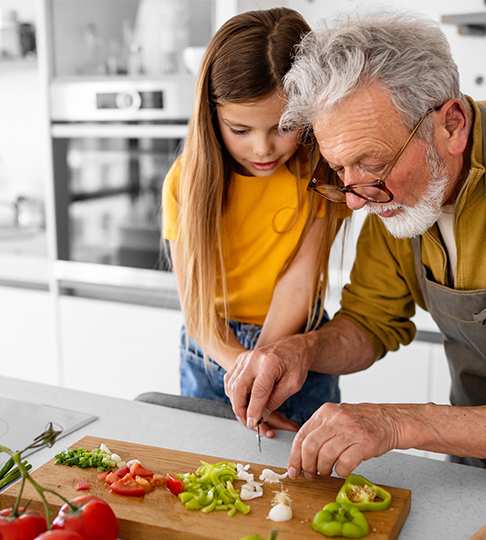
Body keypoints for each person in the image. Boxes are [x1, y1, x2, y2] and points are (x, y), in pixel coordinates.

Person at [224, 10, 486, 499]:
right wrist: (301, 350)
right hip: (473, 466)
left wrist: (397, 423)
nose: (356, 198)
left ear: (452, 125)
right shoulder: (390, 196)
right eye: (340, 169)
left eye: (372, 165)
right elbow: (370, 321)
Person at [162, 8, 348, 434]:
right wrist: (245, 371)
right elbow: (197, 310)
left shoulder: (320, 174)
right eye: (240, 129)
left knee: (303, 487)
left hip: (296, 350)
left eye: (282, 126)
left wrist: (262, 372)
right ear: (213, 116)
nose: (263, 148)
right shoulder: (185, 182)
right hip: (213, 354)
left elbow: (298, 283)